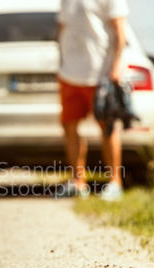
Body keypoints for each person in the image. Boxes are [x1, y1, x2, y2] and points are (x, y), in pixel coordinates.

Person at [57, 0, 128, 201]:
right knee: (69, 127)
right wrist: (59, 63)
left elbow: (119, 32)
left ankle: (115, 182)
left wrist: (115, 65)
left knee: (107, 127)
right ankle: (78, 182)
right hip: (69, 73)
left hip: (99, 73)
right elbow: (62, 27)